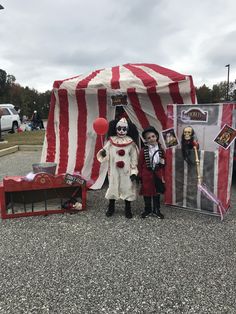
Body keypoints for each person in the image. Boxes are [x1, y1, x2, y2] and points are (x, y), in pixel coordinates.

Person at [97, 117, 139, 219]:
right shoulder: (111, 142)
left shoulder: (131, 143)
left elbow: (134, 158)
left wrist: (134, 171)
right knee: (113, 187)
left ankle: (128, 209)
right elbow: (105, 153)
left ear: (128, 130)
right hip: (114, 170)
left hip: (126, 171)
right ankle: (111, 207)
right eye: (119, 128)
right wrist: (103, 153)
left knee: (127, 188)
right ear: (115, 129)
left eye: (124, 129)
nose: (121, 131)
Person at [138, 126, 165, 219]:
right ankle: (147, 209)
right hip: (147, 174)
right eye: (148, 138)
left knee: (157, 193)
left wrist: (162, 163)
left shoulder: (161, 149)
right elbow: (140, 163)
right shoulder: (143, 150)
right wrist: (140, 176)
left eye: (153, 136)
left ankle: (157, 210)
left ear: (156, 136)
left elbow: (164, 159)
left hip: (157, 174)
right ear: (145, 139)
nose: (151, 139)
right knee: (147, 193)